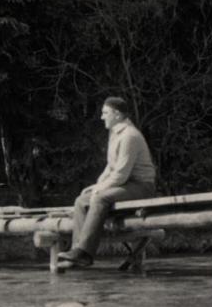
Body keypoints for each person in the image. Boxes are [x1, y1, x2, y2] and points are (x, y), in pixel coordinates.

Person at [58, 96, 156, 267]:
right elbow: (110, 167)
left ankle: (86, 253)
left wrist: (100, 190)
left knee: (100, 198)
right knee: (81, 200)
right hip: (125, 184)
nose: (102, 117)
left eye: (105, 113)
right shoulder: (115, 133)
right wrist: (96, 185)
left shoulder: (129, 136)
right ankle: (76, 251)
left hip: (141, 186)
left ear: (117, 115)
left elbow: (121, 175)